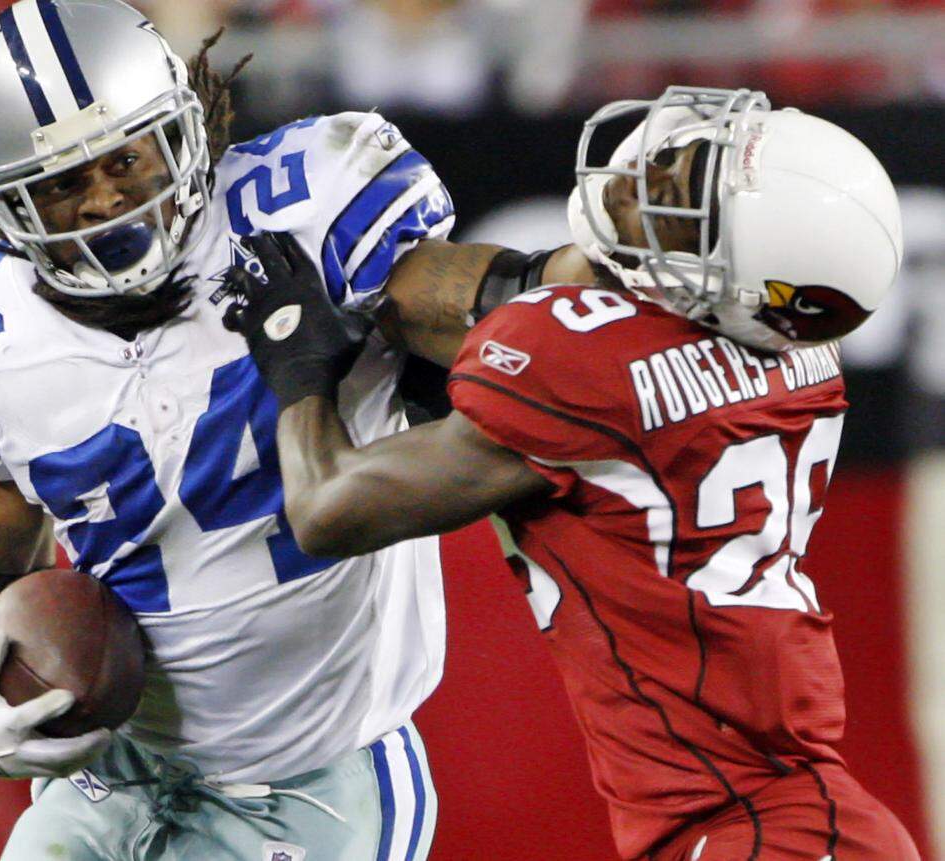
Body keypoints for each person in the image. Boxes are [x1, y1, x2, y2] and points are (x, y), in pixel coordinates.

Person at [0, 1, 577, 858]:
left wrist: (594, 274)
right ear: (6, 204)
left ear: (181, 132)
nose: (107, 200)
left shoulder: (302, 211)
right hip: (117, 773)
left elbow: (484, 303)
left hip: (315, 782)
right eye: (64, 183)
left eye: (126, 158)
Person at [223, 86, 920, 860]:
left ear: (738, 280)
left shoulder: (587, 363)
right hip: (781, 814)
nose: (645, 178)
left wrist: (298, 363)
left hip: (761, 829)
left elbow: (325, 506)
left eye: (685, 194)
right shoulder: (802, 362)